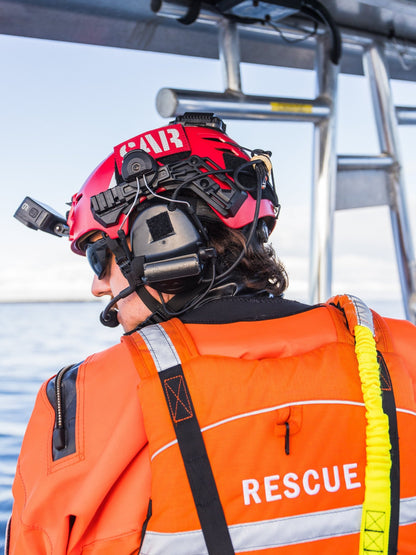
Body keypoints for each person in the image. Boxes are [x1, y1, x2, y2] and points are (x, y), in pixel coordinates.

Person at [7, 112, 416, 554]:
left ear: (160, 240)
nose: (98, 286)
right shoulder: (401, 350)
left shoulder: (78, 401)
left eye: (98, 258)